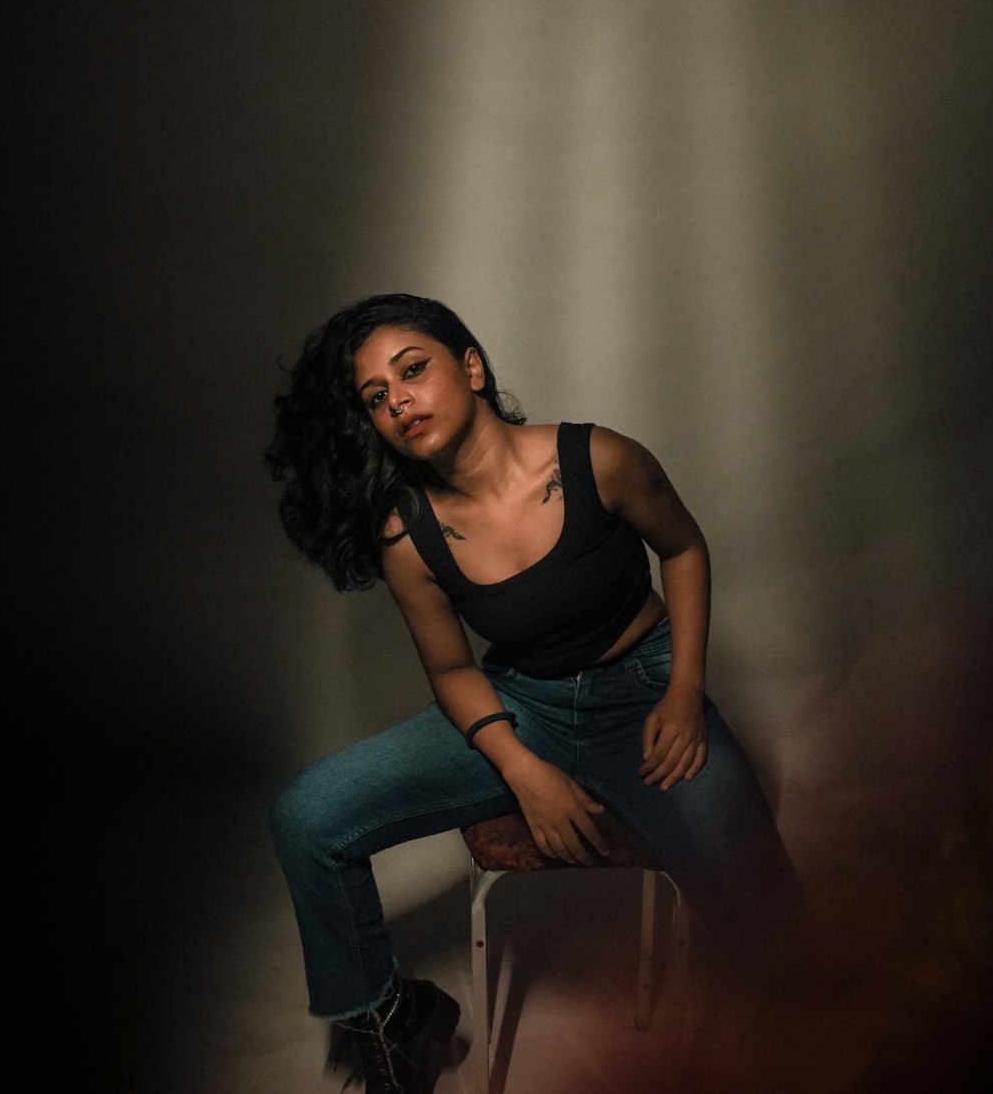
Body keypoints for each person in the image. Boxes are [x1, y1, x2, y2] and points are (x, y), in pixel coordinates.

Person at [266, 293, 806, 1094]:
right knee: (309, 815)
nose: (400, 402)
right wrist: (521, 767)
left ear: (472, 366)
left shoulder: (602, 460)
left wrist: (685, 692)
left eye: (413, 371)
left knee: (776, 932)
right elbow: (454, 672)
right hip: (520, 706)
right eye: (377, 398)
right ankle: (391, 1020)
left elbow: (684, 550)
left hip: (644, 696)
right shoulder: (406, 532)